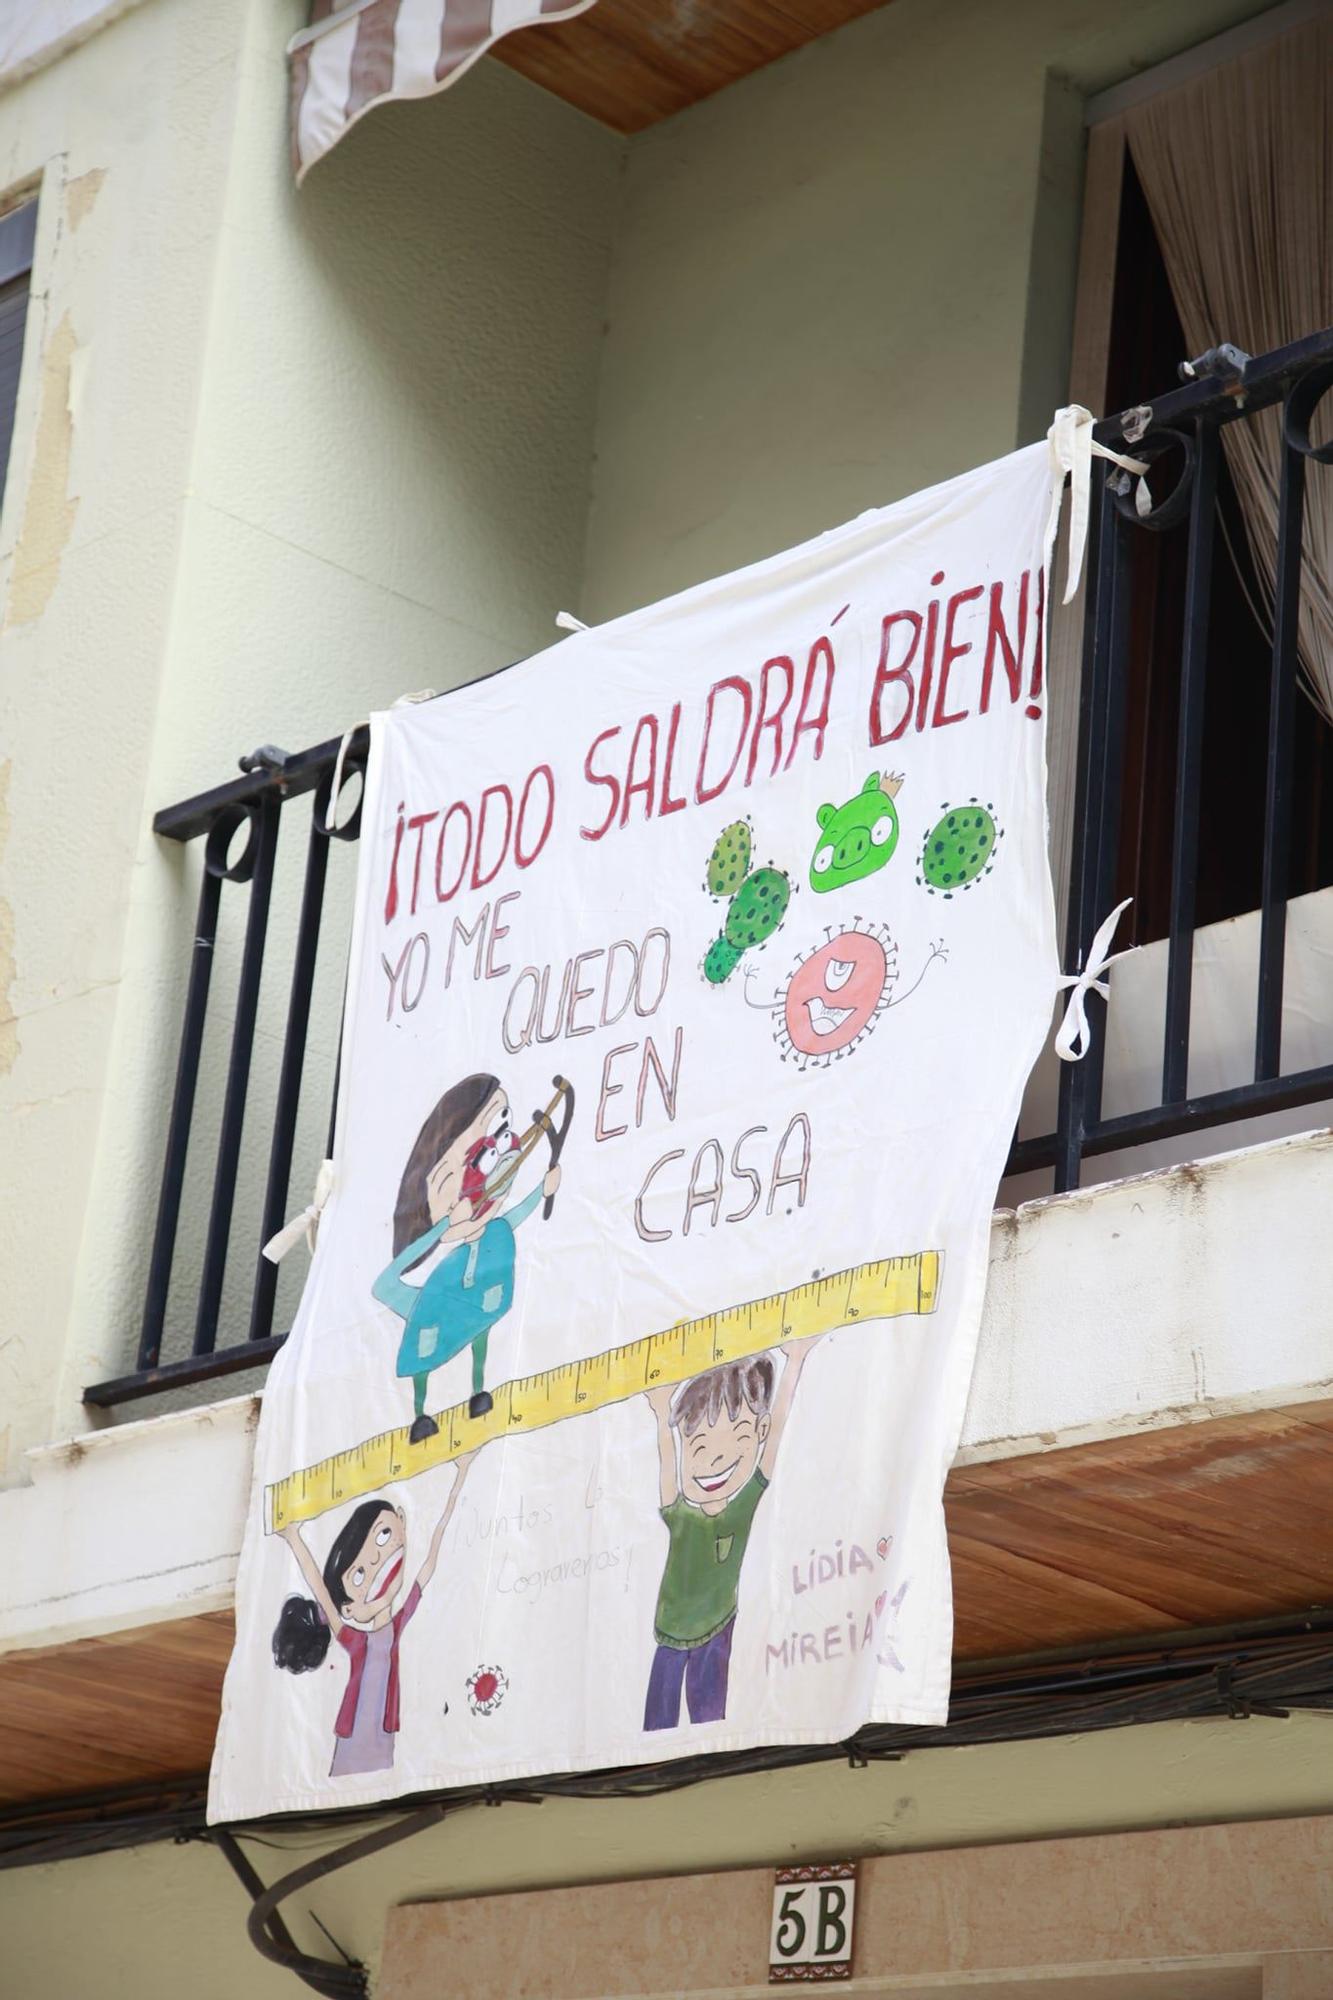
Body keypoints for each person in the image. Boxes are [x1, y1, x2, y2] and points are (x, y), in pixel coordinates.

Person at [643, 1336, 821, 1731]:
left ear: (756, 1434)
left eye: (737, 1439)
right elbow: (668, 1464)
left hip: (717, 1627)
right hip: (669, 1632)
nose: (716, 1459)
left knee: (710, 1717)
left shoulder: (743, 1506)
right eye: (699, 1446)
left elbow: (774, 1437)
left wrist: (793, 1362)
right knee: (657, 1724)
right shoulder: (680, 1515)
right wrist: (660, 1413)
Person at [373, 1073, 561, 1439]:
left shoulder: (494, 1234)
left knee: (480, 1334)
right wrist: (443, 1228)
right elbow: (384, 1285)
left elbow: (514, 1216)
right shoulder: (436, 1250)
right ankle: (420, 1415)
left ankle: (478, 1393)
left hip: (472, 1302)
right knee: (425, 1357)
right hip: (436, 1302)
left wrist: (542, 1189)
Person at [272, 1452, 474, 1778]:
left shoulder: (400, 1619)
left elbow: (433, 1551)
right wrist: (294, 1538)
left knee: (382, 1778)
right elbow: (317, 1585)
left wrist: (460, 1476)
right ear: (349, 1607)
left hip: (384, 1732)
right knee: (356, 1782)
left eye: (384, 1536)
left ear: (402, 1523)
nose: (380, 1561)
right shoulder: (353, 1638)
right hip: (355, 1735)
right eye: (359, 1575)